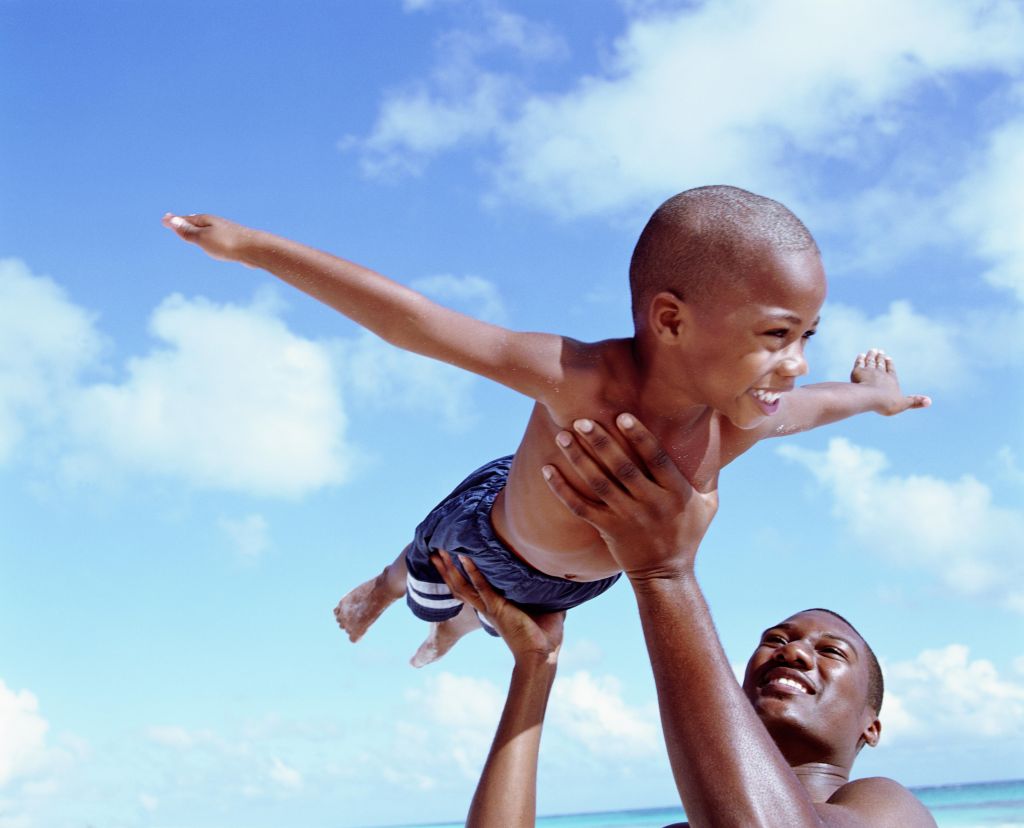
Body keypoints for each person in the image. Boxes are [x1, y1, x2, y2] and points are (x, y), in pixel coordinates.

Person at [162, 186, 930, 666]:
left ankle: (458, 632)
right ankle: (383, 588)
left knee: (490, 626)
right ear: (670, 320)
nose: (795, 364)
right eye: (776, 336)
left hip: (572, 587)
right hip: (488, 537)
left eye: (809, 338)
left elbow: (819, 406)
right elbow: (415, 323)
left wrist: (877, 395)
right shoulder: (583, 378)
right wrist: (255, 249)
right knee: (430, 578)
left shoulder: (738, 419)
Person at [435, 413, 936, 827]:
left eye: (830, 651)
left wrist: (665, 573)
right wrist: (535, 667)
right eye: (777, 639)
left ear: (871, 728)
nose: (794, 650)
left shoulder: (888, 808)